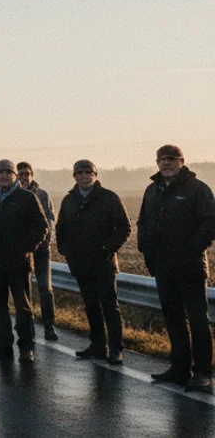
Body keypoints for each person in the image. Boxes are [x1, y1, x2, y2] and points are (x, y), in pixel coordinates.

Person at [137, 145, 215, 393]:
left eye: (172, 159)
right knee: (174, 319)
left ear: (182, 162)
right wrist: (146, 250)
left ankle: (203, 373)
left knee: (198, 320)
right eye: (163, 159)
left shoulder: (197, 189)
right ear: (157, 162)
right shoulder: (152, 190)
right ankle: (179, 369)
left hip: (191, 266)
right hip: (163, 267)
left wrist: (191, 249)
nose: (167, 164)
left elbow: (210, 223)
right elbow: (143, 222)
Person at [0, 159, 48, 363]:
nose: (4, 176)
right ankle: (3, 345)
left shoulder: (26, 198)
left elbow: (41, 227)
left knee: (23, 306)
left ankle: (26, 347)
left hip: (19, 264)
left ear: (15, 176)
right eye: (0, 172)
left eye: (8, 172)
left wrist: (26, 248)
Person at [55, 160, 131, 365]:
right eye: (79, 173)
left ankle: (116, 349)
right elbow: (61, 228)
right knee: (90, 306)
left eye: (88, 172)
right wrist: (66, 253)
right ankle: (98, 345)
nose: (84, 176)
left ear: (95, 175)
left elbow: (124, 228)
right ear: (74, 177)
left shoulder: (109, 198)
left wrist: (107, 250)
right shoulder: (69, 200)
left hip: (104, 263)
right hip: (80, 263)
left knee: (109, 306)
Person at [16, 162, 58, 341]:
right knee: (22, 290)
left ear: (32, 175)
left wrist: (45, 241)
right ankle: (26, 325)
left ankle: (49, 327)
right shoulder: (13, 195)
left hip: (41, 249)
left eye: (26, 174)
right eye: (20, 175)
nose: (24, 178)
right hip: (21, 251)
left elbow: (50, 220)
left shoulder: (42, 195)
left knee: (45, 288)